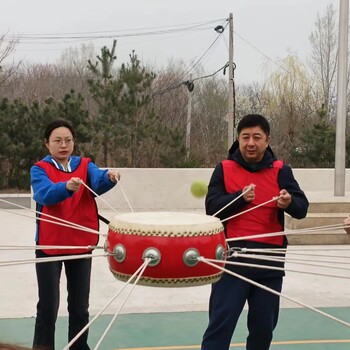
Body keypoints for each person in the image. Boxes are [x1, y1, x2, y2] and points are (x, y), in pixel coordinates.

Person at [201, 114, 309, 350]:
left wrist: (289, 202)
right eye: (245, 137)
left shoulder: (282, 170)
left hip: (269, 263)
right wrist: (238, 198)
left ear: (267, 140)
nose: (251, 142)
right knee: (219, 328)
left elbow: (302, 208)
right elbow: (212, 208)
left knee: (263, 331)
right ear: (238, 139)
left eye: (257, 137)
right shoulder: (224, 168)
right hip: (232, 262)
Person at [31, 119, 120, 350]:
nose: (63, 145)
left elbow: (97, 182)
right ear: (47, 144)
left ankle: (78, 347)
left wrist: (109, 177)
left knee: (80, 307)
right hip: (49, 246)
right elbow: (43, 194)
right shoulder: (40, 168)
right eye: (57, 140)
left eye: (68, 140)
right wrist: (66, 187)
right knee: (48, 306)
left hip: (81, 246)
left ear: (74, 142)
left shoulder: (85, 164)